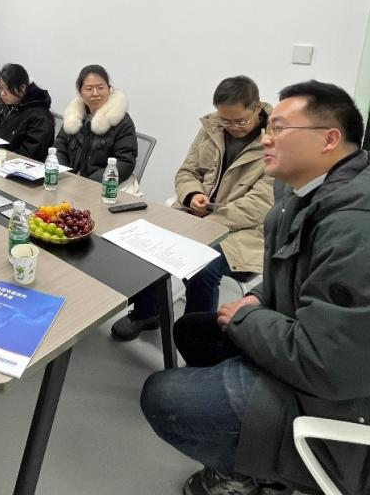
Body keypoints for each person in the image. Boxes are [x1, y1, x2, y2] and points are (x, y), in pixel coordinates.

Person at [140, 81, 370, 495]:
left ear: (329, 139)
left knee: (164, 397)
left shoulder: (366, 233)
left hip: (367, 403)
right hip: (331, 352)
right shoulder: (312, 192)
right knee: (194, 332)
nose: (265, 138)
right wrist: (260, 298)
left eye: (278, 128)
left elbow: (334, 368)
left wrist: (247, 319)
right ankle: (256, 463)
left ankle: (286, 483)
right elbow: (299, 274)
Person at [111, 76, 274, 340]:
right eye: (226, 120)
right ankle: (147, 312)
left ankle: (197, 338)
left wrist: (209, 217)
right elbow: (187, 171)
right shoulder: (212, 128)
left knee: (203, 266)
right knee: (145, 239)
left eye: (240, 121)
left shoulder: (274, 142)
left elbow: (260, 205)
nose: (233, 127)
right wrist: (192, 195)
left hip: (243, 231)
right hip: (195, 214)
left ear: (256, 108)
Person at [53, 64, 138, 183]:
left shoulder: (122, 121)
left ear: (109, 89)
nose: (95, 93)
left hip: (105, 185)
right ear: (80, 92)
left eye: (101, 88)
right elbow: (59, 149)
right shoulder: (74, 116)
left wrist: (89, 184)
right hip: (71, 182)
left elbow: (125, 162)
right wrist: (64, 176)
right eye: (89, 89)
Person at [0, 63, 55, 160]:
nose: (2, 94)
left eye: (7, 89)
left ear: (22, 88)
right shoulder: (2, 108)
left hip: (21, 165)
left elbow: (30, 154)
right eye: (0, 88)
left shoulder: (41, 117)